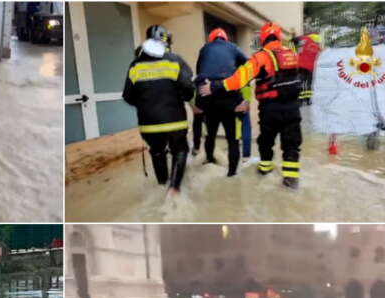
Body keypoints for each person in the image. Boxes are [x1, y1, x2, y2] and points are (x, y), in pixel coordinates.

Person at [199, 22, 302, 189]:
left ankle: (264, 175)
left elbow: (239, 79)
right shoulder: (292, 54)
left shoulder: (261, 57)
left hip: (271, 109)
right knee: (291, 146)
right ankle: (291, 183)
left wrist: (214, 86)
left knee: (266, 143)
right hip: (293, 109)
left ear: (262, 38)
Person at [122, 25, 195, 195]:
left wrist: (145, 104)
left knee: (157, 152)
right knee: (181, 149)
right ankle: (175, 188)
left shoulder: (136, 65)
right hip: (175, 121)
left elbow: (127, 96)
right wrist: (183, 99)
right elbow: (188, 87)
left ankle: (162, 185)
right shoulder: (175, 60)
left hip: (148, 125)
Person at [195, 28, 248, 176]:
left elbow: (199, 72)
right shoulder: (233, 48)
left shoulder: (204, 49)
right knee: (232, 139)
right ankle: (232, 173)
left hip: (208, 97)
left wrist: (198, 102)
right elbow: (249, 66)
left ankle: (210, 162)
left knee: (210, 135)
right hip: (229, 97)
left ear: (211, 39)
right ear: (225, 38)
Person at [294, 33, 322, 105]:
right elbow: (320, 52)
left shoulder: (306, 39)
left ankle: (300, 100)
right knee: (309, 84)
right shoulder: (317, 47)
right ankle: (308, 100)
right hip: (310, 68)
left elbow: (297, 39)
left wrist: (294, 38)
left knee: (300, 82)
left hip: (301, 66)